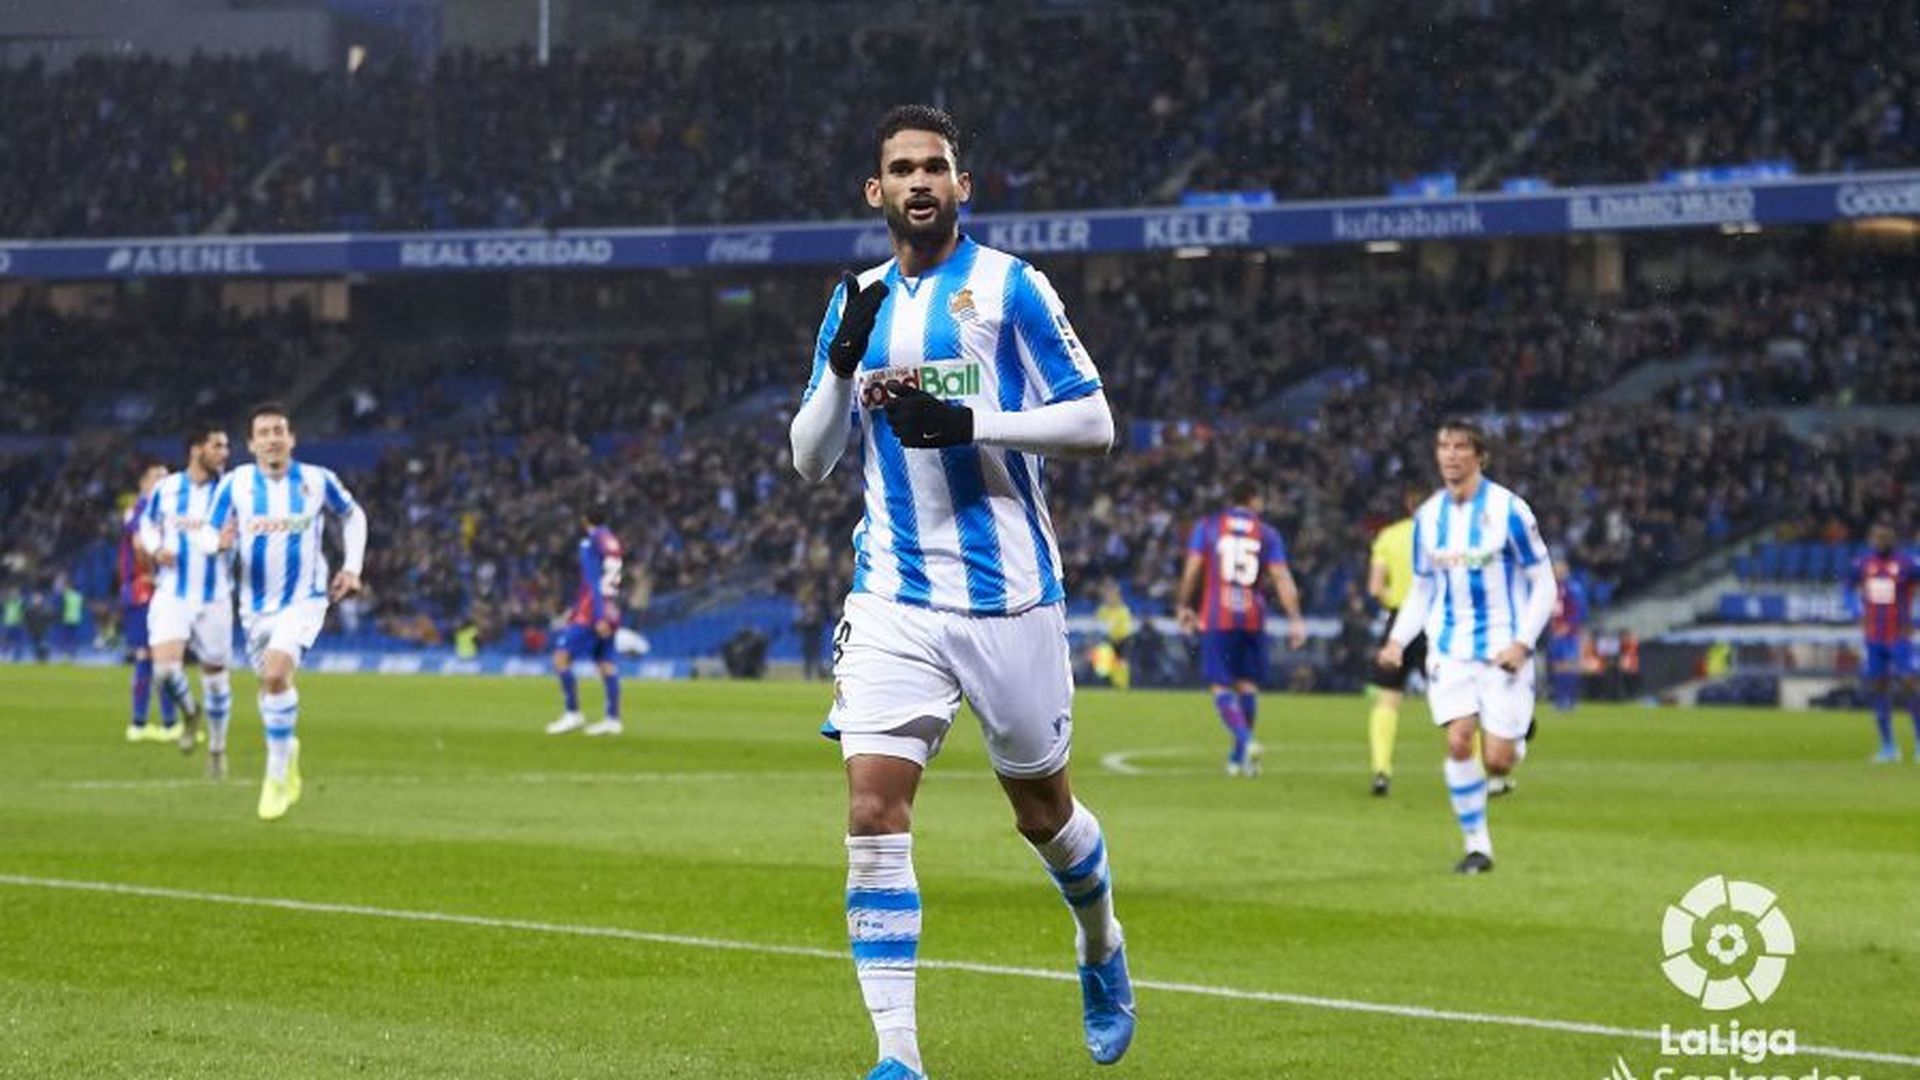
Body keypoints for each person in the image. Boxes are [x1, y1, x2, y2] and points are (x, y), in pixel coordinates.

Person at [787, 105, 1131, 1080]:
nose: (920, 182)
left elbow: (1097, 422)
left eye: (935, 166)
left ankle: (1100, 942)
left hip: (1011, 594)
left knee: (1043, 813)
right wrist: (842, 363)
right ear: (877, 190)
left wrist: (972, 421)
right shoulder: (853, 300)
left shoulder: (1011, 288)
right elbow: (813, 460)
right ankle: (897, 1056)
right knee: (872, 807)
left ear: (961, 185)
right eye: (901, 169)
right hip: (894, 592)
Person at [1377, 419, 1556, 875]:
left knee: (1497, 761)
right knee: (1458, 741)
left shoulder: (1510, 510)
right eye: (1443, 446)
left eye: (1460, 447)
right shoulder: (1429, 517)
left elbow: (1544, 583)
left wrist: (1522, 643)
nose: (1450, 455)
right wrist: (1398, 640)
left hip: (1502, 649)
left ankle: (1516, 737)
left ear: (1480, 456)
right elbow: (1421, 588)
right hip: (1449, 648)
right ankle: (1478, 845)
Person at [202, 403, 367, 820]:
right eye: (264, 432)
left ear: (291, 438)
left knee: (276, 674)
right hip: (254, 607)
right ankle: (287, 749)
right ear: (251, 443)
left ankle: (275, 776)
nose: (272, 438)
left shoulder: (316, 480)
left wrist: (351, 567)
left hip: (306, 598)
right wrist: (216, 543)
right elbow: (207, 532)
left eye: (279, 430)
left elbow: (353, 516)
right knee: (270, 687)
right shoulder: (236, 484)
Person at [1175, 478, 1307, 777]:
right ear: (1253, 499)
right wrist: (1296, 618)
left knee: (1221, 685)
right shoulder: (1267, 533)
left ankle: (1245, 743)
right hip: (1252, 617)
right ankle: (1239, 758)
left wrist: (1184, 605)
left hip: (1217, 616)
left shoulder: (1208, 527)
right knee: (1247, 684)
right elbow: (1282, 578)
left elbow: (1193, 569)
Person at [139, 424, 236, 773]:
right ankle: (190, 712)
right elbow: (146, 525)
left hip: (216, 598)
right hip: (173, 593)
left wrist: (231, 542)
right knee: (164, 670)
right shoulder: (167, 488)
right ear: (197, 449)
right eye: (218, 445)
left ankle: (217, 748)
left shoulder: (230, 491)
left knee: (215, 677)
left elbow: (243, 532)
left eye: (226, 446)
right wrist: (157, 548)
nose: (225, 452)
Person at [1362, 483, 1425, 797]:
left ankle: (1381, 770)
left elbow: (1375, 588)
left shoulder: (1389, 536)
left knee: (1388, 697)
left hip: (1399, 622)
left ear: (1408, 503)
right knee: (1460, 703)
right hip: (1438, 623)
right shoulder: (1449, 535)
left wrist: (1395, 602)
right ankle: (1486, 776)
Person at [545, 500, 626, 737]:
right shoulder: (612, 541)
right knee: (606, 664)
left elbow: (592, 582)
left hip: (593, 613)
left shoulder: (589, 543)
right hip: (612, 609)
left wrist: (596, 615)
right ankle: (613, 719)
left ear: (584, 520)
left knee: (561, 658)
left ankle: (573, 713)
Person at [1848, 522, 1919, 763]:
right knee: (1878, 687)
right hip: (1873, 638)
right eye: (1877, 537)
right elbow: (1847, 589)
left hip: (1899, 636)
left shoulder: (1907, 564)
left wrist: (1915, 618)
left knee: (1912, 684)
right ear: (1871, 539)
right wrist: (1856, 613)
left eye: (1885, 537)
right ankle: (1888, 746)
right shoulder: (1863, 564)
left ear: (1893, 538)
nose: (1881, 541)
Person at [118, 462, 171, 742]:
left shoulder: (149, 510)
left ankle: (143, 724)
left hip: (139, 592)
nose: (164, 482)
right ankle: (161, 723)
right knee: (154, 656)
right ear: (143, 483)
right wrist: (152, 575)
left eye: (167, 477)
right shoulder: (142, 510)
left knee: (153, 657)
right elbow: (140, 544)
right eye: (157, 477)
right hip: (144, 593)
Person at [1546, 557, 1588, 712]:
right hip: (1555, 633)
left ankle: (1570, 700)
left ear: (1566, 570)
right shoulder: (1551, 588)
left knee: (1568, 665)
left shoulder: (1573, 588)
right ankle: (1560, 700)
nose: (1557, 572)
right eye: (1555, 570)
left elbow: (1580, 611)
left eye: (1560, 569)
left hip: (1569, 633)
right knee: (1557, 666)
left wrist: (1569, 627)